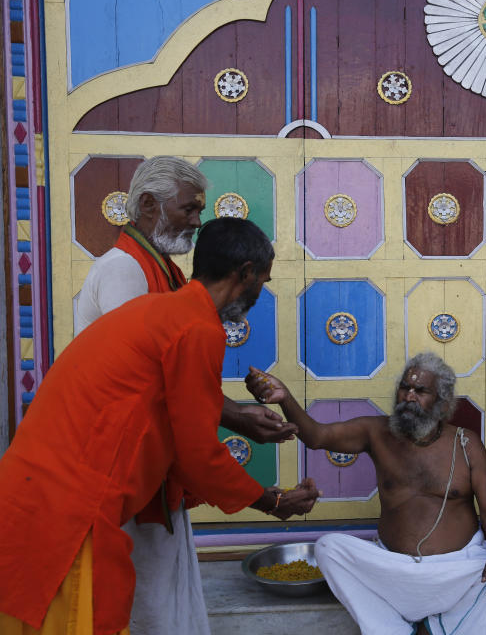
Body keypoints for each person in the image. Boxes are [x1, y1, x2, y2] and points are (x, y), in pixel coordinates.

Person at [0, 218, 319, 634]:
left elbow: (179, 448)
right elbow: (197, 455)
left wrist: (259, 494)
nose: (261, 292)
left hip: (34, 493)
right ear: (244, 274)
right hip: (71, 510)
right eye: (263, 280)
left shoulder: (157, 310)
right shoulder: (197, 327)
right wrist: (271, 502)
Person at [74, 156, 297, 635]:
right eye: (189, 209)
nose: (197, 221)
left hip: (147, 468)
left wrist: (238, 414)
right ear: (150, 205)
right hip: (117, 465)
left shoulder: (168, 276)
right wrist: (268, 496)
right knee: (140, 607)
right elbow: (149, 379)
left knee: (165, 602)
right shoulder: (125, 272)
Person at [245, 353, 486, 635]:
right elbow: (316, 436)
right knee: (329, 549)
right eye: (405, 387)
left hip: (454, 569)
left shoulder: (466, 443)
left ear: (442, 405)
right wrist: (285, 398)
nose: (409, 396)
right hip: (393, 567)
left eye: (421, 391)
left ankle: (437, 628)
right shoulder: (375, 431)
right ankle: (392, 629)